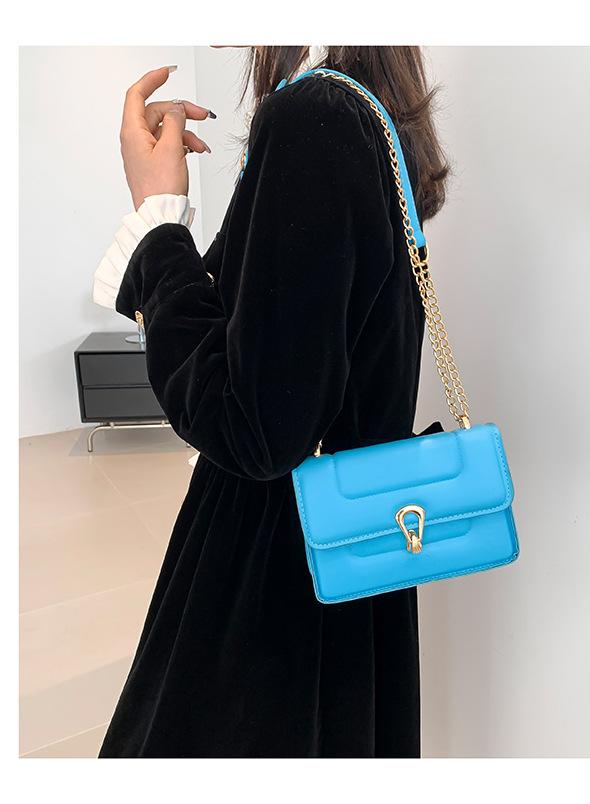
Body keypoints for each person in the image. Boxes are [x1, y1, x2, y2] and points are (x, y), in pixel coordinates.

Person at [93, 45, 449, 758]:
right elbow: (257, 338)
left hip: (277, 567)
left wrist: (157, 218)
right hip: (346, 544)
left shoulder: (316, 117)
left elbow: (254, 427)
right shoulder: (361, 110)